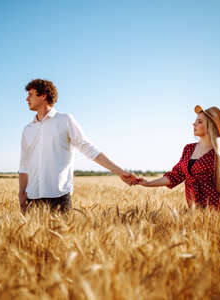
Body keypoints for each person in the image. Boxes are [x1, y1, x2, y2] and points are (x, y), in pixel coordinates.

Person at [19, 79, 138, 213]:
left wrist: (119, 172)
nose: (26, 99)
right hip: (32, 197)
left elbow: (88, 148)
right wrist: (21, 192)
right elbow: (24, 164)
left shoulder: (65, 120)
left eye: (31, 94)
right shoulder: (27, 129)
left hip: (58, 197)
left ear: (43, 95)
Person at [137, 105, 220, 211]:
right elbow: (174, 176)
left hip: (216, 211)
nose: (194, 124)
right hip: (194, 212)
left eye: (200, 121)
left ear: (210, 126)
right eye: (195, 121)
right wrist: (147, 183)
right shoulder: (188, 149)